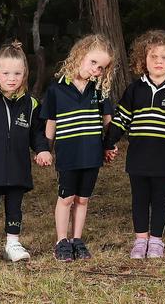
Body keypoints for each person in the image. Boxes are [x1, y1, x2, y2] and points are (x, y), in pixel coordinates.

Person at [104, 30, 165, 259]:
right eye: (153, 56)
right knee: (140, 199)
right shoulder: (135, 90)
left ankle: (156, 241)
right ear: (142, 60)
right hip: (138, 158)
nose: (158, 61)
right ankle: (140, 240)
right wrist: (107, 143)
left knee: (159, 199)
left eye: (164, 57)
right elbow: (120, 120)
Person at [0, 41, 52, 263]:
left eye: (17, 73)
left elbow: (37, 133)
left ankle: (12, 244)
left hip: (17, 166)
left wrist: (42, 150)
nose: (11, 78)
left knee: (14, 207)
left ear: (25, 74)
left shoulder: (32, 104)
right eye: (6, 73)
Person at [40, 34, 115, 262]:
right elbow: (50, 124)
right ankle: (61, 241)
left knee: (83, 199)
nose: (96, 70)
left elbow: (108, 121)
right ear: (80, 56)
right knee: (67, 198)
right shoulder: (56, 90)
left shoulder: (99, 91)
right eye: (93, 62)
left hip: (91, 155)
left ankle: (77, 240)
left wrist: (108, 145)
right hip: (68, 154)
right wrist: (45, 149)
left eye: (101, 67)